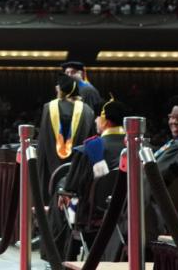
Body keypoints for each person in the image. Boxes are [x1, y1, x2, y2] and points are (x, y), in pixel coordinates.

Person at [56, 97, 129, 260]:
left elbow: (73, 186)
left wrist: (63, 190)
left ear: (105, 120)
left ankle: (61, 256)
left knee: (63, 195)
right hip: (129, 215)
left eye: (97, 117)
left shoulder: (89, 148)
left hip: (94, 218)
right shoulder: (138, 150)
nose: (96, 121)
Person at [37, 73, 96, 201]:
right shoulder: (87, 111)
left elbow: (42, 145)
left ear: (61, 90)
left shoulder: (48, 108)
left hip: (50, 170)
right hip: (76, 173)